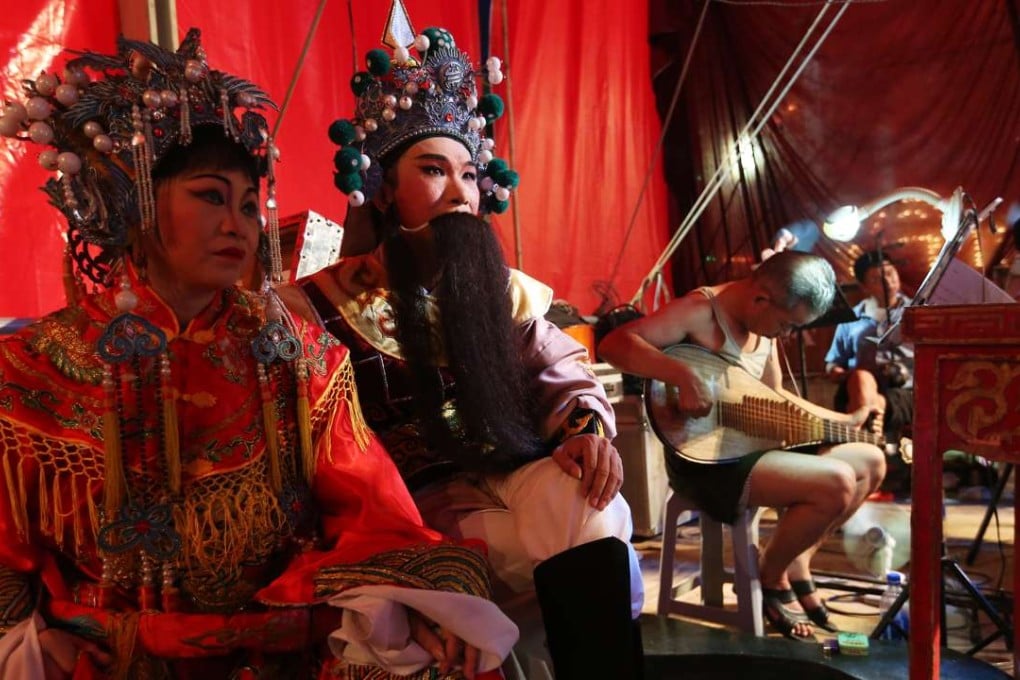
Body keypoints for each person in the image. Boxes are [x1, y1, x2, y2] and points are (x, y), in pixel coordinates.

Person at [0, 31, 517, 679]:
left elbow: (372, 511)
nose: (237, 225)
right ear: (132, 203)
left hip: (280, 647)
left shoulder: (297, 355)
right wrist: (29, 638)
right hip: (107, 658)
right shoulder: (30, 366)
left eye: (249, 204)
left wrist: (413, 605)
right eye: (211, 196)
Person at [279, 12, 644, 679]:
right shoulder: (318, 307)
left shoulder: (499, 293)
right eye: (434, 171)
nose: (461, 193)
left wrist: (586, 429)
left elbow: (563, 369)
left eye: (472, 176)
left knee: (587, 502)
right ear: (384, 190)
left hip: (506, 485)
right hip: (398, 522)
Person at [598, 251, 886, 641]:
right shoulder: (701, 311)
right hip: (707, 463)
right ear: (761, 300)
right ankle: (769, 576)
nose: (785, 334)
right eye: (786, 325)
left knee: (871, 460)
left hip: (757, 446)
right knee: (836, 482)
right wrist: (680, 374)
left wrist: (844, 422)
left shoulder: (764, 327)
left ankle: (796, 562)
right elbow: (614, 345)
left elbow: (777, 396)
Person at [825, 249, 914, 446]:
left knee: (871, 399)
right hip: (858, 386)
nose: (887, 282)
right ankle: (872, 424)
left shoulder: (916, 314)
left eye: (890, 273)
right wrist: (844, 373)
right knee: (861, 379)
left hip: (906, 391)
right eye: (876, 279)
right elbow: (832, 365)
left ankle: (865, 439)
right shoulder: (851, 320)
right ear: (864, 286)